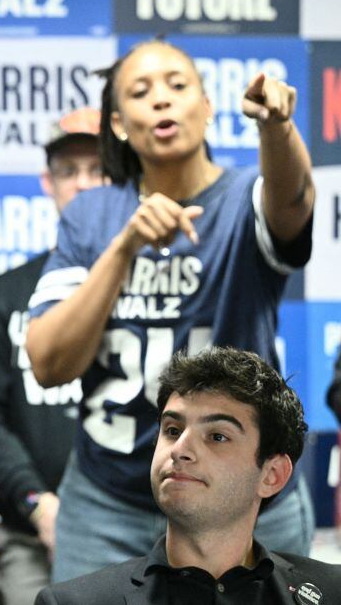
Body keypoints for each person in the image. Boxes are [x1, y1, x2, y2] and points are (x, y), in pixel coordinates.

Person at [25, 40, 316, 582]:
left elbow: (294, 203)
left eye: (177, 86)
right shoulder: (92, 215)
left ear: (207, 107)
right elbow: (48, 361)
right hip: (109, 499)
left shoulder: (243, 198)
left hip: (241, 499)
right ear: (117, 123)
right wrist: (124, 245)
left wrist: (276, 129)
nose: (161, 100)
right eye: (141, 91)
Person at [36, 347, 341, 604]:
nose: (180, 449)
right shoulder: (72, 603)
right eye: (172, 430)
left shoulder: (331, 593)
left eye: (217, 436)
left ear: (272, 475)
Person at [0, 107, 104, 605]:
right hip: (28, 530)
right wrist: (40, 506)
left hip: (135, 523)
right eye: (69, 171)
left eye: (98, 170)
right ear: (48, 182)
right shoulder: (6, 294)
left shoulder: (151, 288)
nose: (83, 185)